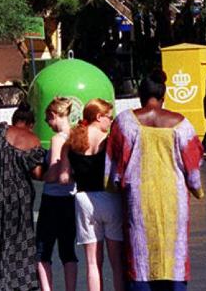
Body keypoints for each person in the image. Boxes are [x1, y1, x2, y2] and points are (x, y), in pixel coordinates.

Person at [107, 71, 205, 291]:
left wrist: (113, 185)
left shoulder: (124, 122)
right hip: (174, 202)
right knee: (175, 255)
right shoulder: (182, 124)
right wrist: (197, 190)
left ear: (140, 96)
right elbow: (193, 170)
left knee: (140, 255)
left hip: (138, 201)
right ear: (164, 96)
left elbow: (113, 166)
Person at [0, 105, 46, 291]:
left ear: (14, 120)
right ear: (31, 124)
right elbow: (37, 173)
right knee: (17, 238)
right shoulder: (32, 139)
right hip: (18, 198)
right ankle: (17, 281)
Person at [68, 98, 125, 291]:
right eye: (109, 117)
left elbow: (68, 174)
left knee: (93, 263)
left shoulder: (74, 141)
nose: (111, 121)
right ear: (99, 117)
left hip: (83, 199)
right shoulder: (108, 141)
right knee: (117, 263)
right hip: (109, 197)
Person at [36, 98, 78, 291]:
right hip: (71, 198)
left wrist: (42, 175)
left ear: (54, 115)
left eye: (48, 119)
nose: (48, 124)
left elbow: (53, 173)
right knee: (68, 251)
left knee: (43, 250)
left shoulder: (57, 139)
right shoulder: (77, 135)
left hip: (52, 199)